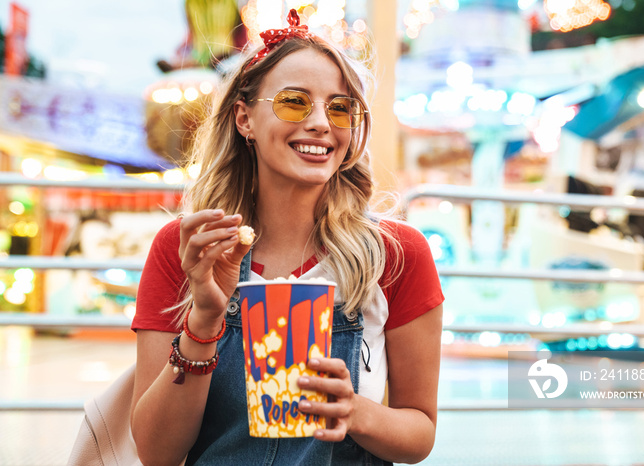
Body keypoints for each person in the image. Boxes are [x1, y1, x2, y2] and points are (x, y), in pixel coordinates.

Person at [130, 10, 444, 465]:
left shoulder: (395, 255)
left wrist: (355, 412)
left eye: (340, 108)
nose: (321, 122)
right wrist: (202, 322)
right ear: (244, 119)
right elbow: (156, 453)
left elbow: (420, 433)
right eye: (294, 102)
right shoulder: (187, 248)